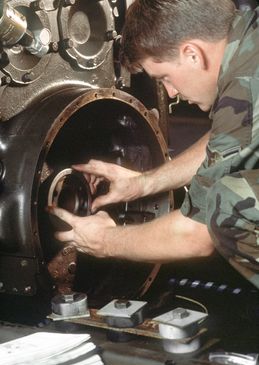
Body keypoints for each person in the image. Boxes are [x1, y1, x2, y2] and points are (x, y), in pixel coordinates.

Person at [50, 0, 259, 289]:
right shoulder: (249, 39)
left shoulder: (247, 84)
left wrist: (104, 240)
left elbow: (194, 235)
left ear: (192, 54)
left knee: (230, 205)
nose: (172, 93)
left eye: (165, 78)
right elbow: (232, 136)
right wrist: (144, 183)